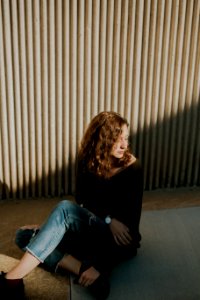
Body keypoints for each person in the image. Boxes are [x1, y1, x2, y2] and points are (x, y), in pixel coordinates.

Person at [0, 111, 143, 299]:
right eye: (119, 139)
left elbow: (130, 226)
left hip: (116, 242)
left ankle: (12, 280)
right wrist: (47, 227)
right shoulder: (88, 159)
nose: (125, 145)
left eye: (126, 138)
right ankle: (83, 270)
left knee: (64, 208)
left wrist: (102, 265)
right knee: (23, 236)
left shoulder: (133, 167)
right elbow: (84, 200)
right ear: (103, 139)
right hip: (91, 233)